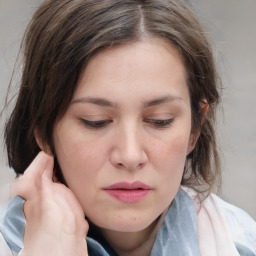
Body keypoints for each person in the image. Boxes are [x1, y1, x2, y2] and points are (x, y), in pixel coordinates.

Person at [0, 0, 255, 255]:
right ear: (43, 130)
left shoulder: (241, 244)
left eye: (160, 120)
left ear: (195, 127)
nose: (130, 156)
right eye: (95, 121)